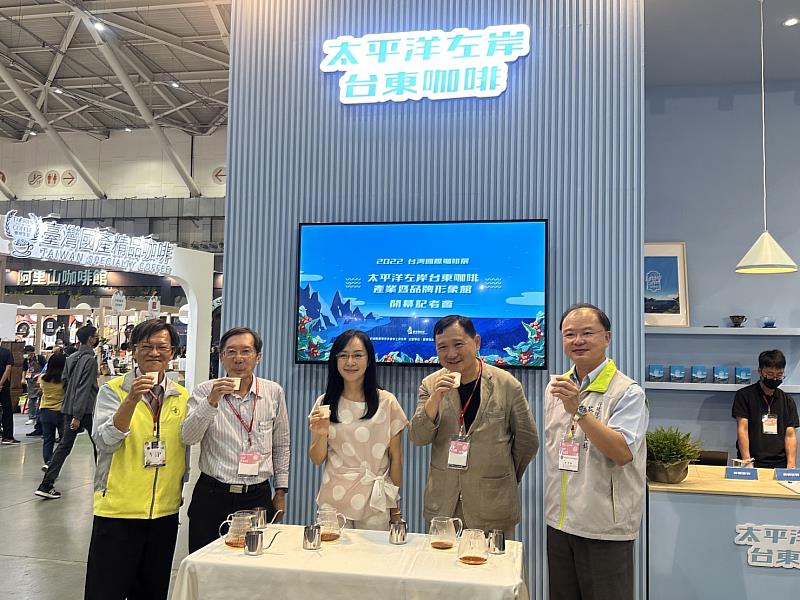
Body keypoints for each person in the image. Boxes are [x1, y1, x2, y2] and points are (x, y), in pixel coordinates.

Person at [545, 304, 649, 600]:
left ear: (607, 337)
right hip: (559, 521)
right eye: (569, 334)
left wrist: (578, 410)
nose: (577, 341)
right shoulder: (556, 388)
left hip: (603, 526)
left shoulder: (627, 392)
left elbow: (622, 453)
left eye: (587, 333)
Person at [84, 319, 189, 600]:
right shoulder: (113, 390)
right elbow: (105, 441)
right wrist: (131, 399)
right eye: (146, 346)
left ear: (173, 352)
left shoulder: (181, 395)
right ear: (133, 350)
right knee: (105, 591)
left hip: (164, 513)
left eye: (162, 347)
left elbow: (185, 448)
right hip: (118, 511)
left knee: (152, 592)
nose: (154, 353)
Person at [408, 315, 539, 538]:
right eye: (442, 347)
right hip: (444, 506)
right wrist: (435, 399)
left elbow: (528, 442)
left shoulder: (506, 384)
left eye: (458, 344)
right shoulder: (430, 385)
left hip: (493, 505)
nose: (451, 353)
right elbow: (418, 437)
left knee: (493, 561)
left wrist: (503, 474)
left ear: (476, 342)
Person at [182, 326, 290, 553]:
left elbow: (281, 444)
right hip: (212, 495)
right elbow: (188, 437)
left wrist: (280, 491)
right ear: (221, 357)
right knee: (206, 562)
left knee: (253, 563)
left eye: (246, 351)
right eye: (230, 352)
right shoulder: (204, 391)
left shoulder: (273, 392)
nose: (238, 358)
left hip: (257, 497)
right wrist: (211, 401)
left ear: (258, 357)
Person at [308, 330, 406, 530]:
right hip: (333, 500)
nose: (350, 362)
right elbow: (317, 459)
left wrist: (395, 508)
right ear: (335, 361)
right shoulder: (325, 402)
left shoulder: (387, 402)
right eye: (343, 355)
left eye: (357, 355)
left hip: (375, 502)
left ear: (369, 360)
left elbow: (396, 459)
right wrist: (321, 434)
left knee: (373, 550)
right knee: (332, 549)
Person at [35, 325, 99, 499]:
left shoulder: (71, 358)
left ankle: (46, 484)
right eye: (95, 336)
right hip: (86, 410)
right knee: (99, 445)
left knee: (64, 446)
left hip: (69, 408)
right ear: (90, 339)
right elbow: (84, 388)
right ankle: (103, 484)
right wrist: (78, 415)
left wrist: (71, 405)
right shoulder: (90, 361)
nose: (97, 339)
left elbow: (65, 381)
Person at [732, 349, 798, 469]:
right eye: (770, 374)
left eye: (779, 375)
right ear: (760, 371)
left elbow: (790, 435)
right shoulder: (744, 396)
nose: (774, 379)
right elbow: (742, 429)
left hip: (780, 463)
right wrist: (746, 461)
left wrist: (791, 464)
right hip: (752, 461)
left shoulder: (787, 400)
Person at [38, 352, 67, 470]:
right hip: (61, 412)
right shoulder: (65, 380)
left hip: (45, 411)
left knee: (48, 440)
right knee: (64, 442)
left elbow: (40, 391)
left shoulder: (42, 378)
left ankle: (47, 462)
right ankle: (54, 462)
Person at [0, 339, 18, 444]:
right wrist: (1, 383)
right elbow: (8, 369)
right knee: (7, 410)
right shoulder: (6, 353)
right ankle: (7, 436)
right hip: (4, 386)